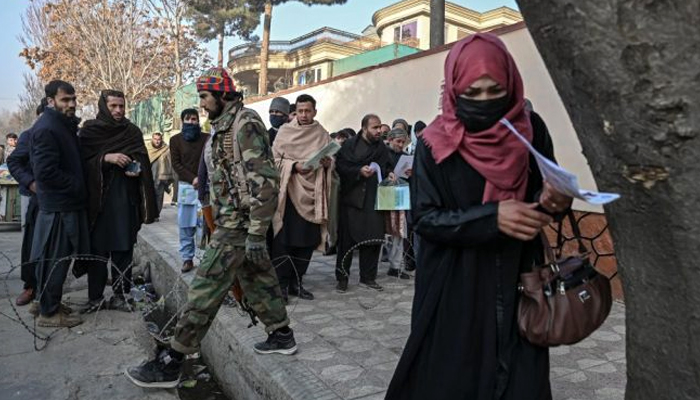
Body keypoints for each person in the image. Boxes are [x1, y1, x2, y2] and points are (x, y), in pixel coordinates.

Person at [386, 33, 573, 400]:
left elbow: (545, 195)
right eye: (472, 93)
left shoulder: (532, 132)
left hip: (521, 278)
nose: (485, 101)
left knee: (521, 382)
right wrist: (491, 218)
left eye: (495, 90)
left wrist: (554, 200)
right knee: (456, 379)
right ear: (455, 88)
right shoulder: (433, 144)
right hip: (456, 283)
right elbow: (426, 218)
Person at [125, 67, 296, 389]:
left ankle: (172, 361)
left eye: (205, 96)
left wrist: (258, 232)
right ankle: (282, 334)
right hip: (231, 221)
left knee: (204, 290)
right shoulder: (223, 126)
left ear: (221, 94)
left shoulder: (244, 124)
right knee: (257, 280)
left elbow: (266, 181)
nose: (201, 104)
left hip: (239, 225)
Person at [79, 90, 158, 312]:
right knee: (97, 254)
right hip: (99, 205)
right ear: (104, 106)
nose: (118, 111)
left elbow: (142, 159)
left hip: (125, 201)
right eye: (113, 106)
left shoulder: (131, 131)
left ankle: (121, 295)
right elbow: (81, 164)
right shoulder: (91, 131)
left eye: (121, 106)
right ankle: (95, 298)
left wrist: (137, 169)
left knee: (123, 251)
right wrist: (105, 159)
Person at [30, 80, 89, 328]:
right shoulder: (47, 127)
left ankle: (47, 303)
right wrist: (77, 185)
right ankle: (49, 313)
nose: (72, 104)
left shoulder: (60, 124)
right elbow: (45, 172)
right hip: (58, 207)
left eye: (73, 99)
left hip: (61, 204)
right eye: (66, 100)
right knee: (56, 259)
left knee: (52, 259)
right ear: (51, 101)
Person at [271, 94, 333, 302]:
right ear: (294, 112)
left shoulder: (321, 133)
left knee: (307, 241)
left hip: (312, 196)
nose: (304, 115)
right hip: (289, 193)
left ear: (315, 111)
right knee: (284, 242)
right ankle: (282, 286)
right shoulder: (284, 132)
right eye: (300, 111)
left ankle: (297, 283)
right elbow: (274, 160)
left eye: (308, 111)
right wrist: (293, 166)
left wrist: (326, 163)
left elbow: (331, 158)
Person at [334, 114, 393, 293]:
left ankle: (368, 277)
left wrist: (390, 173)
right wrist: (359, 171)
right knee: (347, 242)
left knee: (373, 240)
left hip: (373, 199)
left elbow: (387, 165)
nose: (378, 131)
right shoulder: (350, 146)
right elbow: (341, 167)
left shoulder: (381, 147)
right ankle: (342, 279)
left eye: (379, 127)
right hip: (352, 199)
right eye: (374, 128)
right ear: (364, 128)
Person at [7, 99, 47, 306]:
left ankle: (48, 290)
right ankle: (30, 286)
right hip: (32, 197)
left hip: (57, 199)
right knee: (32, 241)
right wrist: (30, 182)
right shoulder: (28, 136)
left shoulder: (65, 135)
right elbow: (14, 162)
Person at [170, 109, 210, 273]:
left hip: (205, 187)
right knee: (186, 225)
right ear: (182, 121)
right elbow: (176, 163)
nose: (192, 122)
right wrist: (193, 178)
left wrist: (202, 179)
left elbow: (210, 159)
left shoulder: (207, 138)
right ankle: (187, 258)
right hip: (187, 187)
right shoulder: (175, 140)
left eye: (194, 119)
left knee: (205, 224)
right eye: (188, 119)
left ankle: (206, 260)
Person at [384, 128, 411, 280]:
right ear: (390, 140)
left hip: (400, 195)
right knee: (382, 230)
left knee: (399, 231)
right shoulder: (383, 154)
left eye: (403, 142)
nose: (400, 145)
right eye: (398, 141)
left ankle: (395, 266)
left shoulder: (406, 156)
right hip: (384, 194)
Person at [147, 132, 174, 215]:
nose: (157, 141)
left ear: (161, 139)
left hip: (161, 177)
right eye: (155, 139)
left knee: (159, 197)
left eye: (159, 139)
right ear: (152, 139)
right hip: (149, 176)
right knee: (149, 197)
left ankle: (156, 214)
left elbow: (171, 162)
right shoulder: (148, 149)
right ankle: (149, 213)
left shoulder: (166, 149)